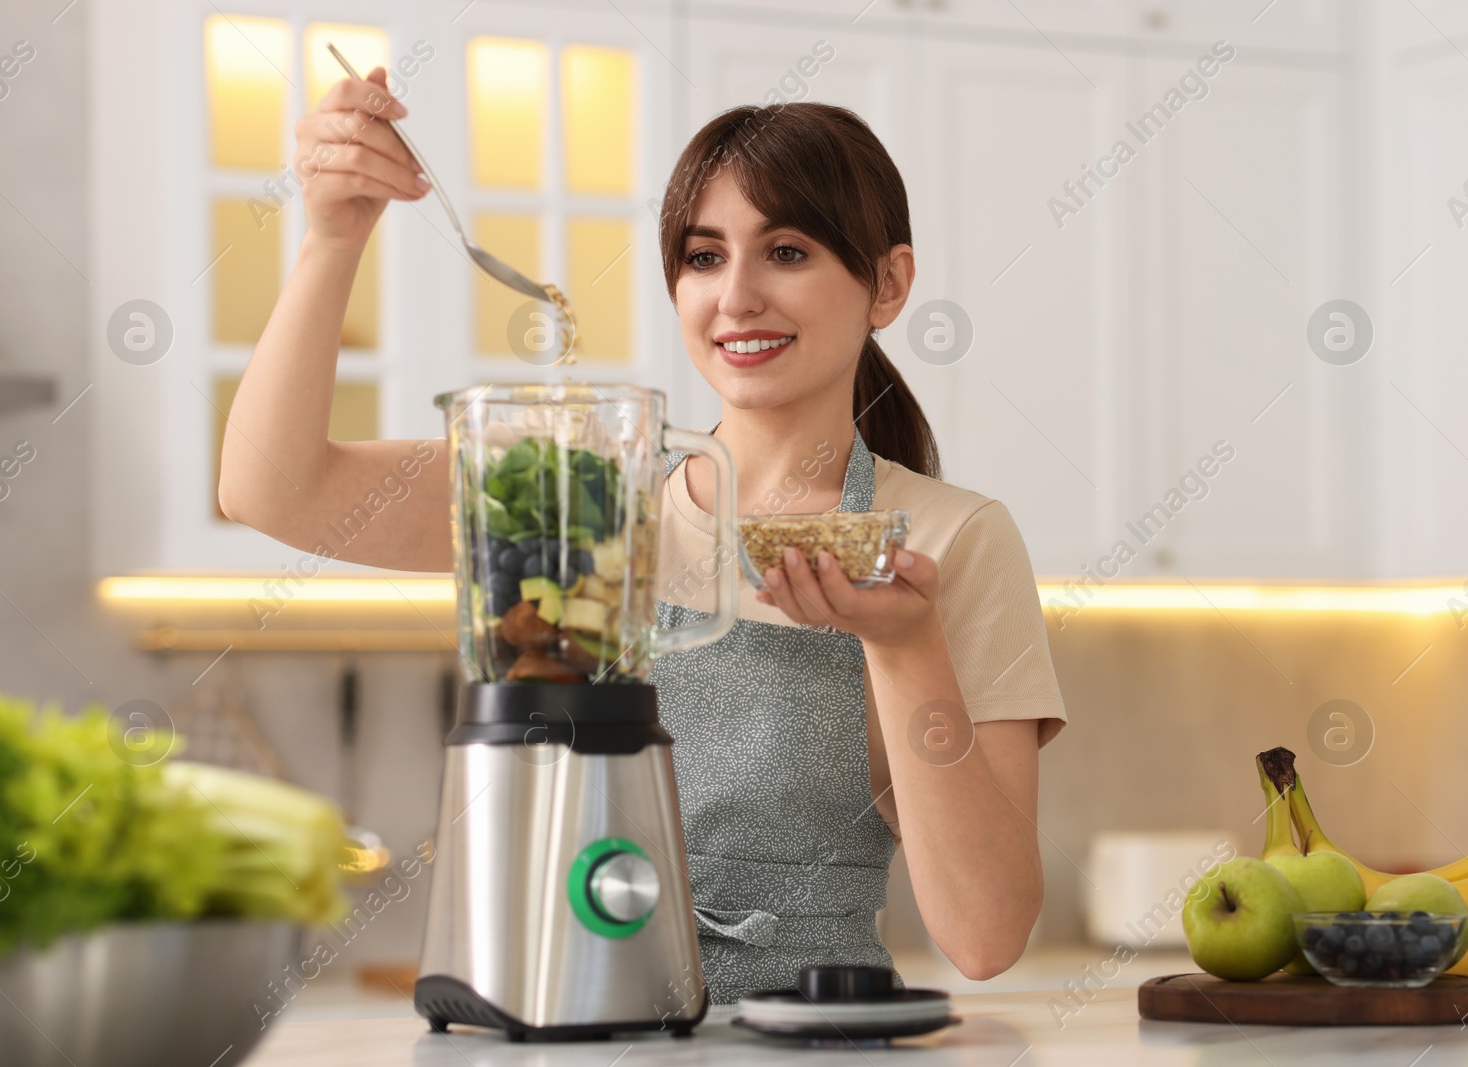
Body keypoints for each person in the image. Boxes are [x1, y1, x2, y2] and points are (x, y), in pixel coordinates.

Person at [219, 67, 1067, 1005]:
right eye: (704, 257)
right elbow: (274, 488)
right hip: (569, 1012)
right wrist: (333, 239)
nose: (736, 296)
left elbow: (985, 936)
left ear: (889, 284)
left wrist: (902, 645)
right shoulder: (581, 497)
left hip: (814, 1038)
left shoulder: (951, 538)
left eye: (786, 251)